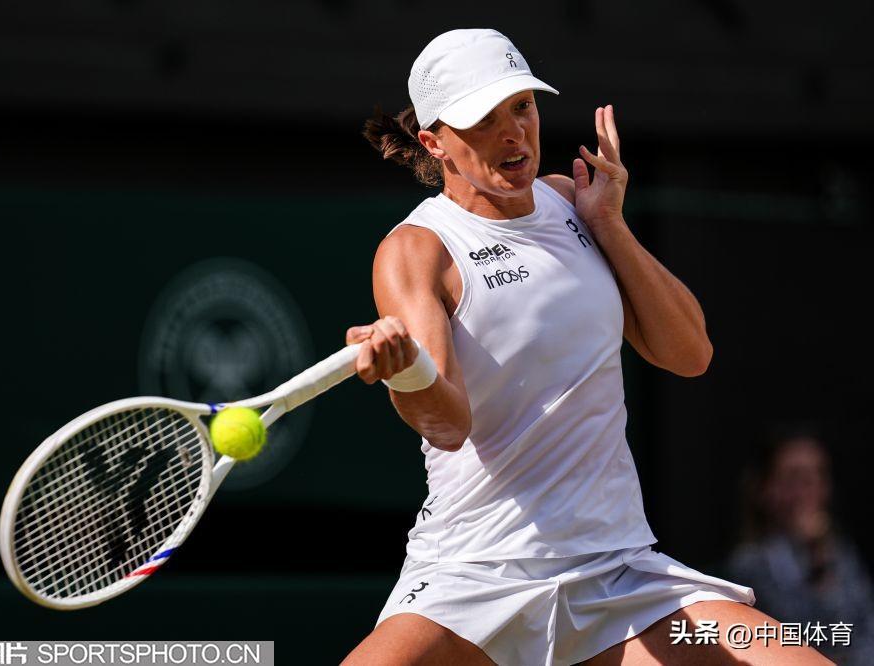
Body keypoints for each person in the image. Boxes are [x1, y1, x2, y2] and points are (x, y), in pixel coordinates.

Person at [339, 29, 831, 665]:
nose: (513, 133)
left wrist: (609, 224)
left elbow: (691, 353)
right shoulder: (415, 251)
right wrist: (405, 371)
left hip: (616, 575)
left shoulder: (573, 201)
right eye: (484, 120)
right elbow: (448, 424)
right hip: (476, 575)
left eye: (522, 106)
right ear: (434, 142)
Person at [727, 428, 874, 663]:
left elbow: (865, 627)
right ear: (766, 489)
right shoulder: (750, 563)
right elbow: (806, 636)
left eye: (818, 476)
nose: (809, 489)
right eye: (796, 478)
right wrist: (817, 557)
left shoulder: (840, 551)